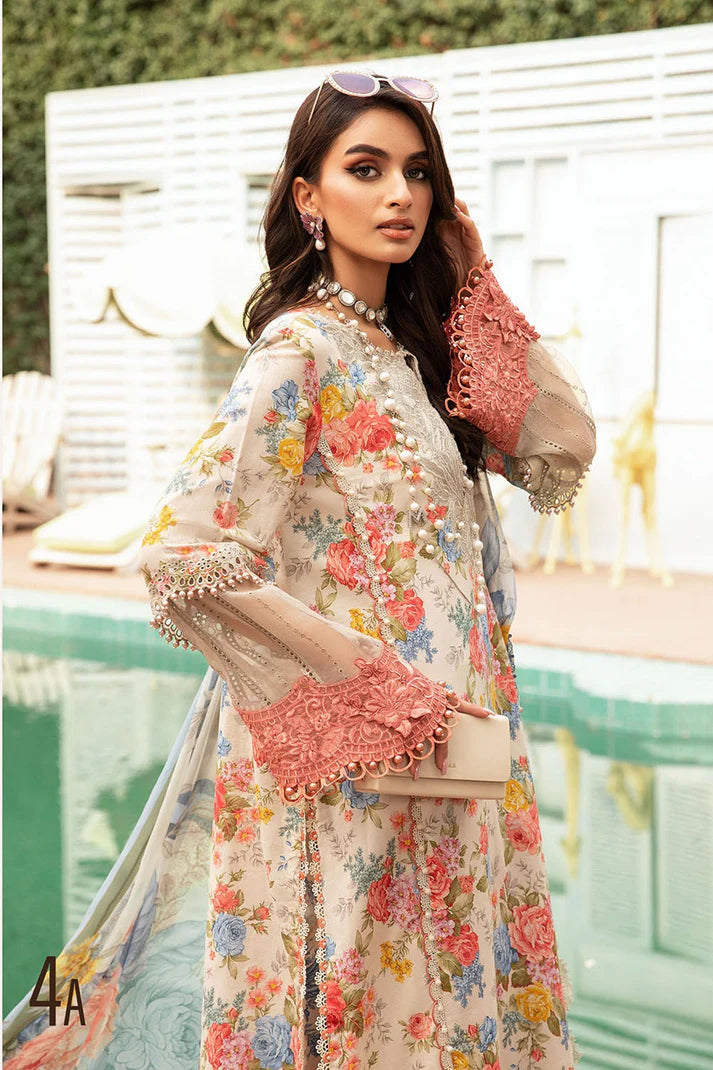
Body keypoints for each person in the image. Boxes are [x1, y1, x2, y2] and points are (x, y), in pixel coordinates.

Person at [3, 71, 595, 1070]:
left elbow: (558, 447)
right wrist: (363, 686)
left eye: (417, 173)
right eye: (364, 169)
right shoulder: (299, 353)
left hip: (457, 760)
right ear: (308, 198)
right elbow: (185, 555)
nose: (399, 193)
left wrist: (470, 276)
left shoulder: (414, 357)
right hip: (350, 771)